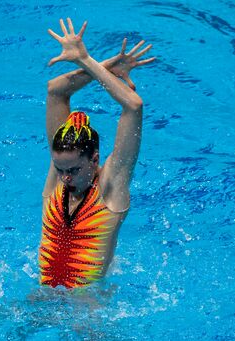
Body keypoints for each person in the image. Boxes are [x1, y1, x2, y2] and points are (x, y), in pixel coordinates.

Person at [39, 19, 155, 288]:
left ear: (94, 160)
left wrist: (85, 60)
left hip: (88, 317)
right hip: (41, 300)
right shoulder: (59, 177)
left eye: (73, 170)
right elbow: (56, 91)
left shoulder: (111, 185)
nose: (65, 178)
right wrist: (106, 68)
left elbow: (133, 106)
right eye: (60, 169)